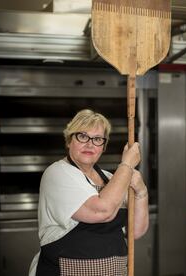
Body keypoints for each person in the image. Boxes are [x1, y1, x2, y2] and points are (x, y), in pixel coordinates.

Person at [29, 109, 149, 276]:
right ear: (69, 141)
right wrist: (127, 165)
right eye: (83, 136)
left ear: (103, 147)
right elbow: (101, 211)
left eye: (98, 139)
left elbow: (136, 231)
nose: (90, 144)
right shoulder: (57, 173)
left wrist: (141, 191)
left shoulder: (111, 179)